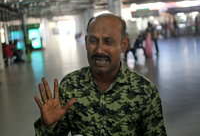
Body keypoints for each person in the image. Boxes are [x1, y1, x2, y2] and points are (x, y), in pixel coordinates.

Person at [34, 13, 167, 135]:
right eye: (93, 41)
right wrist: (48, 125)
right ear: (86, 42)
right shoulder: (70, 86)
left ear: (123, 45)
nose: (99, 50)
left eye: (108, 42)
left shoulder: (145, 92)